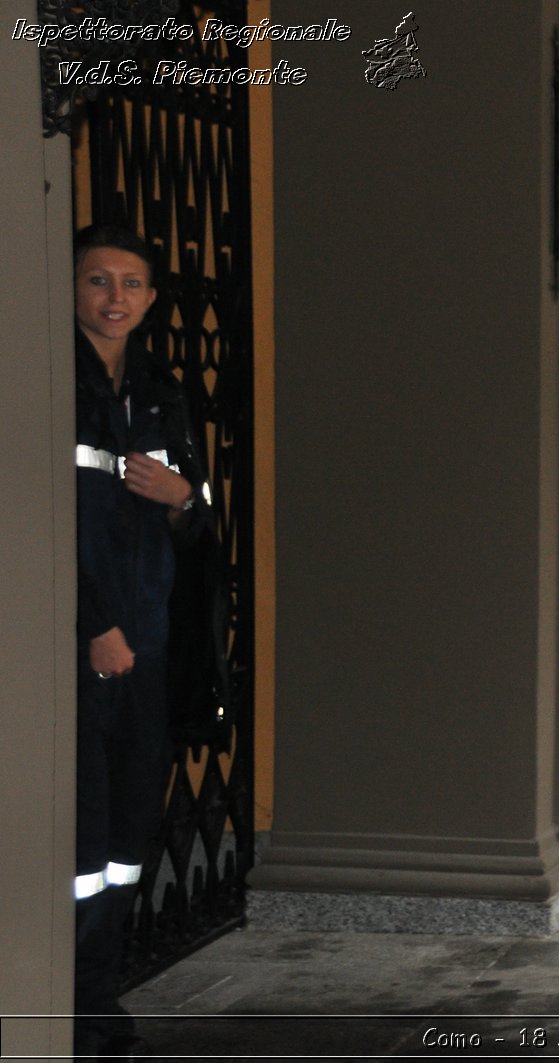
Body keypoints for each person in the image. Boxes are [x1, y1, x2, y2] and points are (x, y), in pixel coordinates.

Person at [72, 224, 212, 1060]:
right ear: (71, 289)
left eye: (130, 283)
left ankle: (97, 995)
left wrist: (180, 496)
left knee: (126, 838)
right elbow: (37, 522)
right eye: (97, 280)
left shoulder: (164, 396)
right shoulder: (49, 383)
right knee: (79, 842)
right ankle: (70, 1003)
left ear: (152, 300)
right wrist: (94, 627)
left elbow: (200, 538)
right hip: (86, 651)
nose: (115, 297)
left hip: (150, 651)